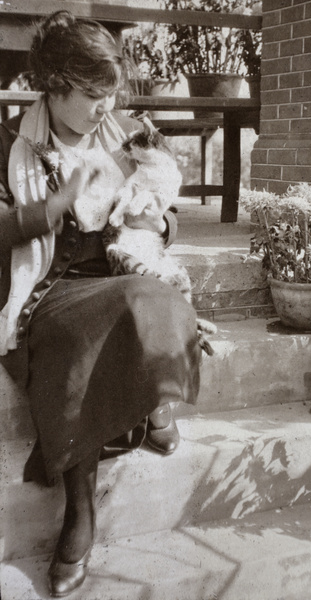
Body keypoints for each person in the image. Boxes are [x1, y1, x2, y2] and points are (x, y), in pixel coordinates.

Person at [0, 11, 201, 597]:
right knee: (80, 338)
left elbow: (163, 203)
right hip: (49, 292)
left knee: (151, 290)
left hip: (116, 272)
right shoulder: (11, 141)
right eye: (92, 95)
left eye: (111, 93)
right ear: (54, 84)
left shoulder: (130, 131)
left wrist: (151, 225)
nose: (104, 108)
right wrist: (54, 205)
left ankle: (153, 396)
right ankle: (80, 512)